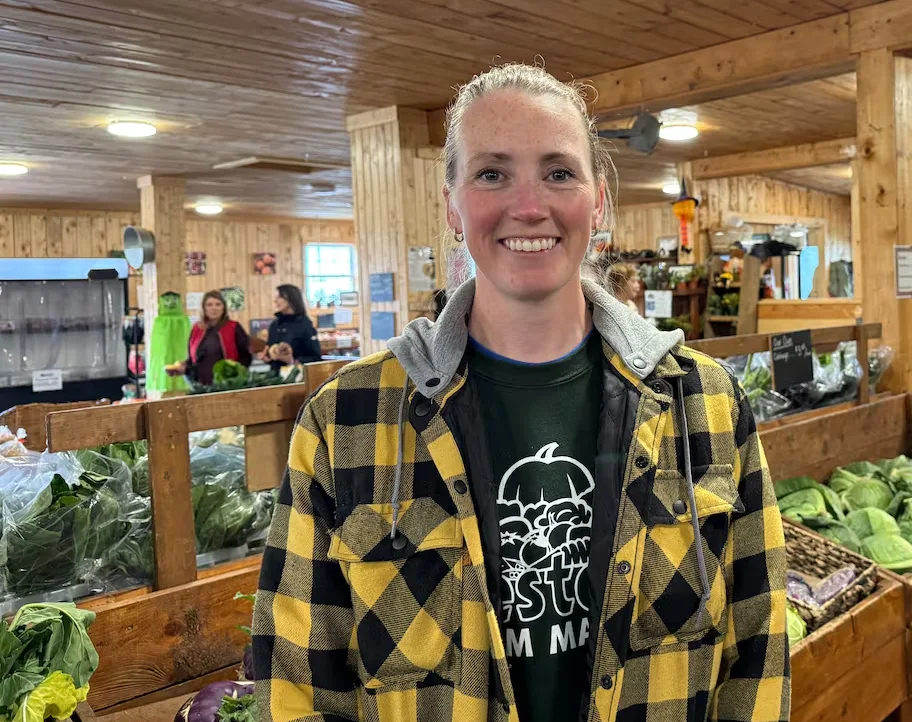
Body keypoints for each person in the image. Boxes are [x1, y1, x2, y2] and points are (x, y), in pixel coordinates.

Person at [252, 64, 789, 722]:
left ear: (598, 203)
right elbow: (299, 682)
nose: (529, 205)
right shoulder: (346, 421)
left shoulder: (705, 402)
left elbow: (758, 652)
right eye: (492, 173)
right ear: (452, 202)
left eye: (559, 172)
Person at [170, 290, 252, 385]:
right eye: (209, 305)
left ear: (223, 308)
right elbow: (192, 360)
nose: (214, 308)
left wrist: (235, 376)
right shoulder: (197, 328)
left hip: (227, 384)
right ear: (203, 308)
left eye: (218, 304)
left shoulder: (234, 327)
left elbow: (246, 356)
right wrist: (183, 368)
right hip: (200, 384)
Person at [262, 284, 322, 370]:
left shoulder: (305, 324)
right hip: (276, 377)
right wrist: (268, 357)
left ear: (291, 299)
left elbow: (316, 357)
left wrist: (293, 361)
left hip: (297, 377)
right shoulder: (274, 325)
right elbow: (270, 349)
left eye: (279, 297)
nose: (275, 300)